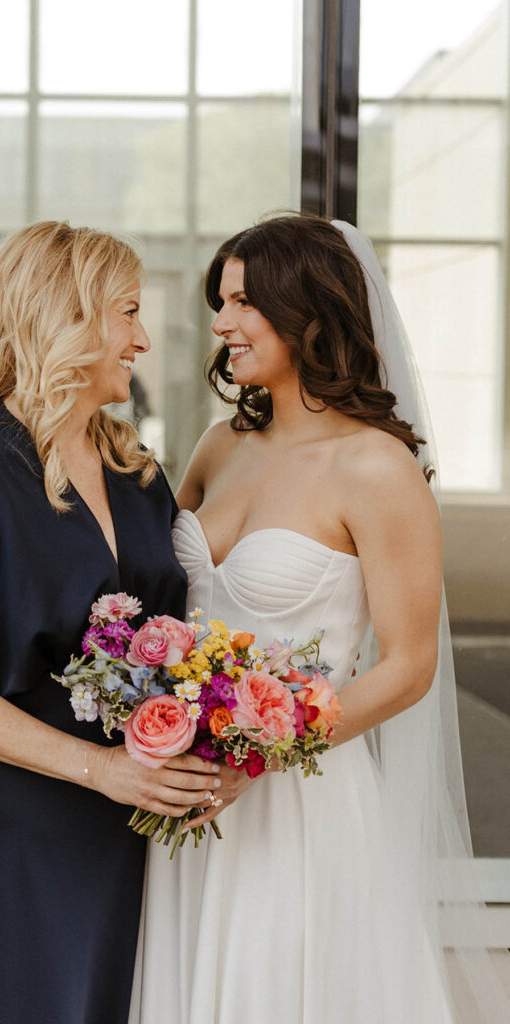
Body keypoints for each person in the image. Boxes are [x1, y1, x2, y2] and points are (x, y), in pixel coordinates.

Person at [130, 214, 509, 1023]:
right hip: (192, 796)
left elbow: (408, 666)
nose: (220, 323)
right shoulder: (218, 444)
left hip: (300, 798)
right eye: (219, 302)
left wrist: (263, 751)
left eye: (241, 302)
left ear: (304, 307)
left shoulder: (376, 467)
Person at [0, 221, 225, 1024]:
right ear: (63, 314)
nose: (142, 337)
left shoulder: (135, 471)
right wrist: (99, 769)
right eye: (127, 313)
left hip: (114, 812)